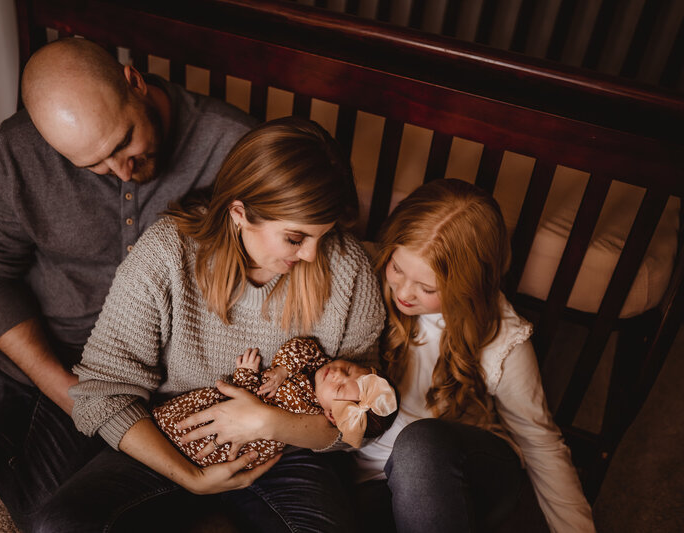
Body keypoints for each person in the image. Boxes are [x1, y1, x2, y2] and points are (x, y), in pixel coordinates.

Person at [0, 37, 256, 529]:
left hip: (117, 371)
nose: (122, 170)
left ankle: (0, 431)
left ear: (135, 82)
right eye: (94, 164)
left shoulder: (234, 146)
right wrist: (64, 390)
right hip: (5, 342)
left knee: (51, 519)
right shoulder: (17, 149)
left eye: (124, 142)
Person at [33, 116, 386, 532]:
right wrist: (190, 477)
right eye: (295, 238)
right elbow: (103, 392)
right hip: (174, 432)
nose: (311, 255)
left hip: (286, 450)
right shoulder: (166, 254)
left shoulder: (348, 269)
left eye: (322, 236)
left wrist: (268, 422)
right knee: (59, 525)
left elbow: (362, 419)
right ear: (240, 213)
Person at [353, 179, 596, 532]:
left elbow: (541, 442)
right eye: (397, 268)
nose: (404, 291)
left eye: (428, 288)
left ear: (468, 285)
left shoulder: (502, 337)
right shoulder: (364, 274)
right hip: (373, 478)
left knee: (419, 443)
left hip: (460, 469)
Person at [154, 337, 398, 468]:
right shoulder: (315, 367)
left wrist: (246, 374)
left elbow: (250, 405)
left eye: (341, 387)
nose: (336, 374)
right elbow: (303, 347)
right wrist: (283, 369)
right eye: (347, 368)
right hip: (229, 419)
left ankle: (165, 441)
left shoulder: (301, 407)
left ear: (332, 416)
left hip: (232, 438)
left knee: (187, 428)